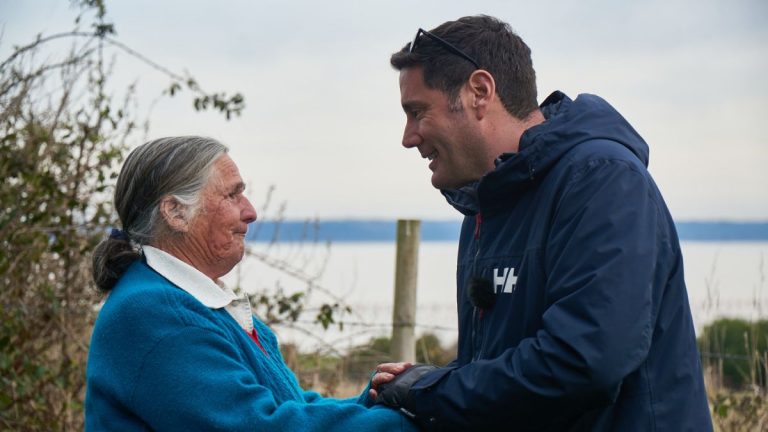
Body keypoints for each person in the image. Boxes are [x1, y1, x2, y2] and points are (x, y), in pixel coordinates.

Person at [371, 15, 713, 431]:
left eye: (417, 111)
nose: (408, 137)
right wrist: (428, 383)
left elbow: (583, 361)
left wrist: (431, 391)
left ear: (479, 92)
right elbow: (502, 370)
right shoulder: (486, 206)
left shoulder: (600, 180)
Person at [85, 136, 416, 431]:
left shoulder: (191, 302)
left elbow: (288, 407)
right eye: (232, 195)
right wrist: (407, 424)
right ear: (175, 212)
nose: (251, 212)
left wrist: (372, 401)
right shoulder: (156, 315)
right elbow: (259, 425)